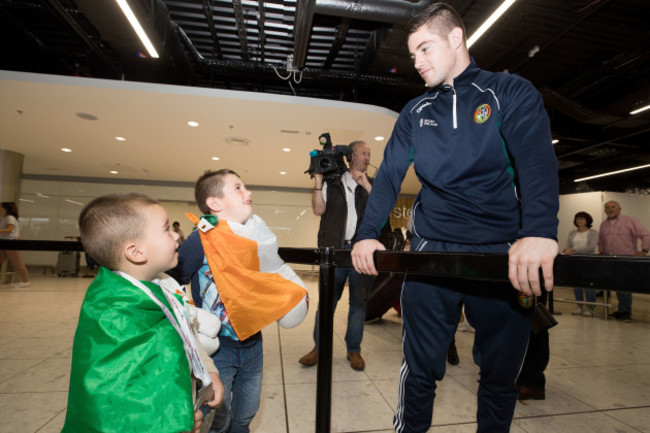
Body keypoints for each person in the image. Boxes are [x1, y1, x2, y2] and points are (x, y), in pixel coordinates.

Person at [351, 3, 559, 432]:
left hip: (501, 255)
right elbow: (389, 175)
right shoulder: (414, 113)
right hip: (432, 253)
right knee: (419, 372)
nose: (418, 62)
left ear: (456, 38)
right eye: (412, 55)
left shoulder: (510, 92)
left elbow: (536, 161)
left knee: (500, 380)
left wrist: (539, 231)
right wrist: (367, 234)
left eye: (424, 49)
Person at [62, 193, 223, 433]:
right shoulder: (114, 313)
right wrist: (179, 423)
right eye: (166, 229)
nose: (176, 235)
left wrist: (209, 370)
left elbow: (184, 330)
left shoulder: (163, 284)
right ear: (136, 252)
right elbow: (122, 405)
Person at [170, 169, 308, 433]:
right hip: (217, 349)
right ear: (215, 203)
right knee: (216, 420)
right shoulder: (202, 238)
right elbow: (171, 282)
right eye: (238, 187)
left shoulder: (255, 236)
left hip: (252, 343)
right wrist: (192, 316)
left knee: (246, 413)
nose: (249, 192)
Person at [299, 140, 375, 371]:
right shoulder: (332, 182)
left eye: (369, 154)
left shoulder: (371, 183)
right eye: (363, 153)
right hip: (335, 251)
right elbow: (318, 209)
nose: (367, 157)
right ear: (351, 156)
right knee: (327, 304)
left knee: (358, 305)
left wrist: (366, 186)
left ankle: (354, 350)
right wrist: (318, 180)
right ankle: (318, 348)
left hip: (361, 254)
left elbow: (382, 212)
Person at [598, 200, 650, 322]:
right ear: (605, 210)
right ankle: (622, 310)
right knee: (618, 286)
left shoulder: (630, 221)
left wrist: (644, 250)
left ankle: (626, 312)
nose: (610, 209)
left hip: (626, 260)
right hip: (610, 260)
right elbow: (601, 241)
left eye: (613, 207)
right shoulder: (603, 225)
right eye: (607, 207)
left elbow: (646, 235)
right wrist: (601, 254)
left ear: (619, 209)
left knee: (625, 286)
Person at [563, 211, 599, 317]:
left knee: (589, 285)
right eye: (578, 219)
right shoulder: (572, 233)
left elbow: (591, 247)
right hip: (575, 262)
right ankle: (579, 306)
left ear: (587, 220)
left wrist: (573, 250)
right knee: (576, 285)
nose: (580, 221)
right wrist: (566, 250)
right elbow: (568, 246)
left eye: (582, 219)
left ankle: (590, 308)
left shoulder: (593, 233)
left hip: (589, 261)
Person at [0, 201, 30, 287]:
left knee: (17, 263)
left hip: (11, 242)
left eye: (0, 207)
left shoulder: (10, 217)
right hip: (4, 242)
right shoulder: (5, 218)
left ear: (5, 209)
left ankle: (25, 281)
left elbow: (9, 229)